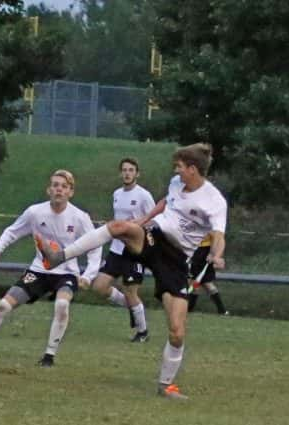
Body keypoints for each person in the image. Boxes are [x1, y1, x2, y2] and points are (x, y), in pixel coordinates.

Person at [36, 143, 227, 399]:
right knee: (118, 227)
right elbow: (164, 203)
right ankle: (59, 256)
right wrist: (142, 221)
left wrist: (216, 255)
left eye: (180, 167)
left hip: (177, 260)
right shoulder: (175, 183)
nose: (176, 170)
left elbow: (218, 235)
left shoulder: (214, 201)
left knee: (177, 331)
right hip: (154, 237)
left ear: (193, 169)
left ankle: (166, 385)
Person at [0, 170, 102, 367]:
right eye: (55, 185)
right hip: (38, 271)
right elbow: (12, 231)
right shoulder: (35, 212)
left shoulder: (80, 217)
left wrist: (88, 275)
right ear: (48, 189)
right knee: (3, 305)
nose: (58, 189)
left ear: (71, 192)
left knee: (62, 305)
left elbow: (95, 246)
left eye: (64, 186)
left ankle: (48, 357)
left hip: (66, 274)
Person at [90, 158, 155, 342]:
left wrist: (136, 228)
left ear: (137, 173)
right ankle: (132, 308)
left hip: (135, 251)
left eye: (131, 170)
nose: (127, 173)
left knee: (130, 291)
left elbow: (153, 220)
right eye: (124, 170)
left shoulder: (143, 195)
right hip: (116, 249)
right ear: (121, 173)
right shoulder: (117, 193)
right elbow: (118, 219)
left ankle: (142, 332)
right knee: (99, 286)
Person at [187, 234, 229, 315]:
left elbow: (215, 237)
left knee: (199, 283)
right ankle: (222, 310)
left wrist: (211, 253)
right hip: (197, 250)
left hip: (203, 252)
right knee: (198, 283)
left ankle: (222, 310)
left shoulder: (210, 224)